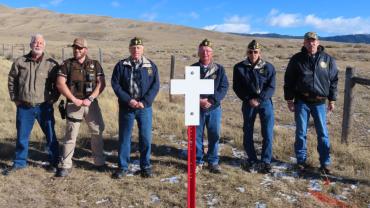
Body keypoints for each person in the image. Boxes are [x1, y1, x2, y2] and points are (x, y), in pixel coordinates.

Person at [284, 32, 338, 174]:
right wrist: (289, 99)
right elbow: (289, 80)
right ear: (304, 43)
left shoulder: (327, 60)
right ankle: (301, 161)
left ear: (318, 42)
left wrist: (332, 99)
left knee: (323, 133)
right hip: (302, 101)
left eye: (313, 41)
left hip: (320, 102)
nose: (311, 44)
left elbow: (333, 81)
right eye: (308, 41)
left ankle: (325, 163)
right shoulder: (297, 59)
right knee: (301, 132)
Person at [6, 34, 60, 175]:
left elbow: (58, 84)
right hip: (24, 106)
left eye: (41, 43)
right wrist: (15, 99)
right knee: (22, 136)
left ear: (44, 45)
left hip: (44, 107)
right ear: (30, 45)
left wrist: (53, 99)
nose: (38, 45)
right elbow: (12, 80)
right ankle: (19, 163)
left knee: (50, 135)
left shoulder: (51, 63)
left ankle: (54, 162)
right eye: (35, 42)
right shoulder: (20, 62)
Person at [55, 38, 106, 177]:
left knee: (97, 132)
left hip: (91, 105)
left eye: (80, 48)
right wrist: (73, 99)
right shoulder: (67, 64)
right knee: (71, 135)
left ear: (86, 49)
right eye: (75, 48)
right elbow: (60, 83)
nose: (77, 50)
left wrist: (90, 98)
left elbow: (101, 83)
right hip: (73, 105)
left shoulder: (95, 64)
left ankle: (99, 162)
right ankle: (66, 165)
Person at [111, 37, 160, 178]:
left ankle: (145, 166)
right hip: (127, 107)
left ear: (143, 49)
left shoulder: (151, 66)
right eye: (133, 48)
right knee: (125, 137)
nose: (136, 50)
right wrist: (128, 100)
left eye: (138, 48)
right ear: (129, 49)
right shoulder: (121, 65)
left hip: (145, 108)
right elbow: (116, 84)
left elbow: (155, 86)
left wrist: (144, 101)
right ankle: (123, 166)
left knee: (145, 137)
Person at [233, 40, 276, 173]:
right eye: (250, 52)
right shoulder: (239, 67)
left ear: (260, 53)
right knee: (248, 130)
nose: (253, 54)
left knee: (267, 131)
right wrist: (248, 98)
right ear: (247, 52)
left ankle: (266, 161)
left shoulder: (269, 67)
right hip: (248, 103)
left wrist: (260, 98)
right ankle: (252, 158)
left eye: (255, 52)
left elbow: (271, 87)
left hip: (265, 103)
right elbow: (237, 87)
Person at [191, 39, 229, 174]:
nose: (205, 53)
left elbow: (224, 87)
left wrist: (211, 100)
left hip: (214, 108)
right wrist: (199, 100)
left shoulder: (219, 69)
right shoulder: (192, 68)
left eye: (208, 51)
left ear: (212, 53)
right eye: (202, 51)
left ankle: (213, 161)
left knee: (214, 135)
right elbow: (188, 88)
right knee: (196, 136)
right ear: (198, 52)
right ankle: (197, 161)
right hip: (196, 108)